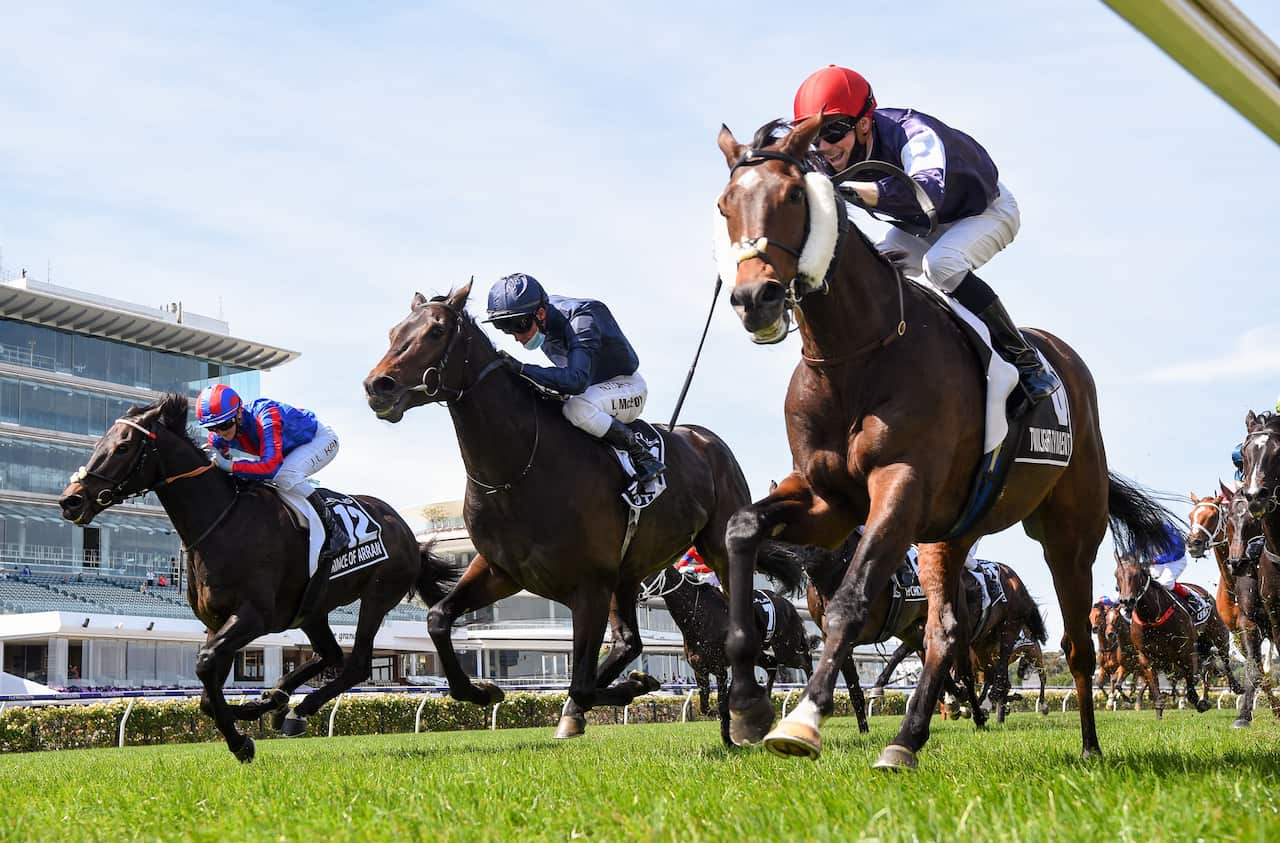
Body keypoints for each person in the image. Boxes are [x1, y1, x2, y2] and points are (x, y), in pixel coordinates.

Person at [792, 65, 1059, 406]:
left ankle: (1025, 359)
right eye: (813, 134)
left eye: (834, 131)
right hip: (919, 227)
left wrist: (850, 190)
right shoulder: (824, 154)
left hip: (984, 213)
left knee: (941, 264)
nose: (824, 146)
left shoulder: (913, 133)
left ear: (863, 122)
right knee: (868, 273)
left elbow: (927, 194)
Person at [482, 273, 665, 485]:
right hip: (593, 390)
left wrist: (522, 369)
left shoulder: (581, 319)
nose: (516, 335)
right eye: (505, 327)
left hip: (627, 386)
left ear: (540, 313)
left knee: (577, 409)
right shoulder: (543, 322)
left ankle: (640, 453)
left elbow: (576, 381)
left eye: (518, 325)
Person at [196, 384, 348, 561]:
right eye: (212, 428)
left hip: (319, 440)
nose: (220, 433)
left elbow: (270, 467)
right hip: (287, 452)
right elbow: (218, 457)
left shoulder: (266, 416)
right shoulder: (218, 435)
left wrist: (230, 465)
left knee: (284, 475)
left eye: (224, 425)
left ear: (238, 414)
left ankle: (334, 530)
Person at [1150, 522, 1191, 599]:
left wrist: (1156, 560)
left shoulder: (1168, 530)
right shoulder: (1141, 534)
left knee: (1165, 584)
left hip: (1175, 560)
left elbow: (1178, 551)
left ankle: (1189, 596)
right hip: (1157, 563)